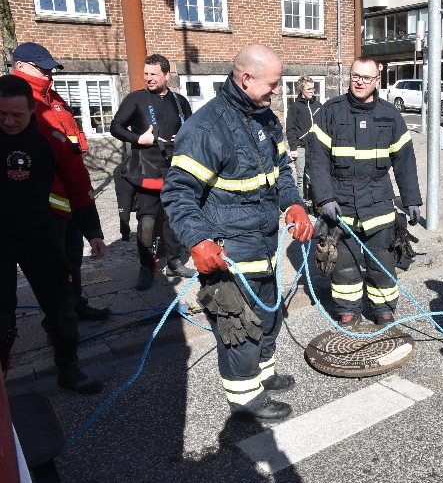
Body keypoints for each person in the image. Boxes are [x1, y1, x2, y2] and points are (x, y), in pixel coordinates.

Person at [161, 45, 313, 421]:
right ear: (246, 79)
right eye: (272, 84)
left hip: (262, 247)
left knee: (267, 318)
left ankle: (262, 376)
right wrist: (198, 240)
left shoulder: (266, 119)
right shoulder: (206, 128)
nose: (277, 91)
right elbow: (178, 192)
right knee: (239, 330)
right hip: (229, 253)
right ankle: (246, 401)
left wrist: (292, 204)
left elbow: (281, 170)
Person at [0, 74, 104, 394]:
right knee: (1, 319)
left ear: (32, 110)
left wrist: (94, 232)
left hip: (38, 234)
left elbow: (78, 187)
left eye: (17, 114)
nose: (8, 121)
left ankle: (68, 369)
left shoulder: (52, 138)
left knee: (63, 307)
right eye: (1, 114)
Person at [307, 56, 422, 328]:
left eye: (366, 78)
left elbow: (405, 161)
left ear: (377, 81)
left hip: (379, 204)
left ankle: (383, 310)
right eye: (355, 76)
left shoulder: (390, 115)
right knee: (344, 265)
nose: (360, 81)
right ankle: (348, 311)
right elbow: (317, 159)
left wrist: (412, 200)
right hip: (341, 206)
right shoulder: (330, 111)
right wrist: (324, 197)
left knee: (382, 264)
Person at [12, 42, 109, 322]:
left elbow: (72, 140)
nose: (47, 74)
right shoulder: (19, 102)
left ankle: (76, 305)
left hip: (69, 196)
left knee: (72, 259)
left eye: (49, 68)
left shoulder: (50, 96)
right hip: (43, 207)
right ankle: (60, 320)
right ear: (21, 66)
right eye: (41, 68)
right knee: (53, 268)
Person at [110, 54, 195, 290]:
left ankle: (174, 262)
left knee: (173, 218)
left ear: (166, 75)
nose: (148, 78)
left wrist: (185, 137)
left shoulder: (180, 101)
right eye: (146, 73)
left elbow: (192, 127)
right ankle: (146, 266)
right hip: (146, 167)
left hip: (175, 168)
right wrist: (139, 138)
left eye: (153, 74)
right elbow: (115, 127)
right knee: (147, 221)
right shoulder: (136, 99)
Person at [286, 74, 321, 205]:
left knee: (314, 176)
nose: (312, 91)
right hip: (300, 147)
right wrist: (293, 148)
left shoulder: (318, 105)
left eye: (313, 88)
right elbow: (290, 129)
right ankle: (301, 204)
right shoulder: (295, 107)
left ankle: (314, 202)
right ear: (302, 90)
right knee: (301, 178)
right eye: (309, 89)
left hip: (316, 147)